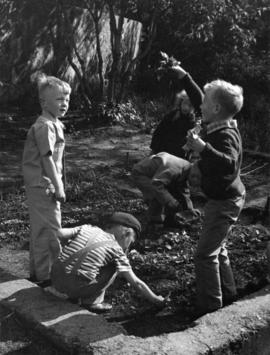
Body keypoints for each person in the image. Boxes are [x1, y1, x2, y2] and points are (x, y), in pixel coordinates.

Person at [170, 66, 245, 315]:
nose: (199, 107)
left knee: (204, 255)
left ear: (215, 110)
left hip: (226, 202)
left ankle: (210, 305)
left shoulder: (225, 135)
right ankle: (229, 292)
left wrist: (203, 149)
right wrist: (185, 77)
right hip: (223, 199)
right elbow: (200, 99)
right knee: (218, 248)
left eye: (206, 104)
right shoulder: (217, 123)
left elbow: (229, 163)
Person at [51, 212, 166, 312]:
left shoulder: (87, 228)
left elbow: (60, 233)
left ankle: (73, 292)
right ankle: (93, 303)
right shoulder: (116, 249)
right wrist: (156, 299)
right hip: (77, 288)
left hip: (56, 279)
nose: (129, 246)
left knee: (84, 266)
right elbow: (136, 283)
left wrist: (68, 246)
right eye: (131, 242)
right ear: (126, 234)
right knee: (114, 266)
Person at [22, 73, 71, 286]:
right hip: (43, 185)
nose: (64, 103)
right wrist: (58, 186)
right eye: (59, 99)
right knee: (50, 229)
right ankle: (47, 275)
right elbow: (47, 158)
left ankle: (37, 272)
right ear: (44, 102)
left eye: (67, 99)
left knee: (42, 227)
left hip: (45, 183)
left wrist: (62, 180)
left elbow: (58, 161)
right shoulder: (45, 126)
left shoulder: (55, 124)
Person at [131, 152, 201, 227]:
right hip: (141, 174)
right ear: (194, 176)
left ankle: (165, 217)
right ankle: (154, 221)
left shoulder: (187, 169)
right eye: (195, 185)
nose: (195, 188)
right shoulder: (176, 169)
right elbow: (157, 185)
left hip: (156, 175)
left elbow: (183, 190)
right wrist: (171, 202)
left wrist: (189, 209)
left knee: (166, 195)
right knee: (158, 195)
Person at [150, 70, 203, 159]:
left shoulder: (193, 122)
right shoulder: (172, 116)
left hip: (178, 155)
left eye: (190, 106)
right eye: (185, 104)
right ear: (180, 102)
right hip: (163, 150)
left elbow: (192, 142)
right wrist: (154, 148)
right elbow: (159, 132)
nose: (186, 108)